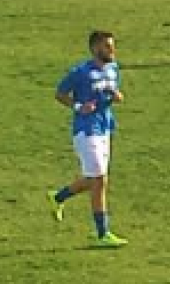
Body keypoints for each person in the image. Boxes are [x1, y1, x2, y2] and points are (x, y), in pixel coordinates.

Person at [47, 31, 128, 248]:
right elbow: (60, 93)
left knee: (95, 179)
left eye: (112, 46)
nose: (112, 51)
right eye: (107, 47)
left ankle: (58, 197)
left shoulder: (113, 69)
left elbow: (112, 93)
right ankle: (102, 233)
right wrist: (78, 107)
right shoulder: (80, 72)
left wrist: (116, 96)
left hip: (105, 127)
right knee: (99, 179)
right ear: (95, 49)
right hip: (86, 130)